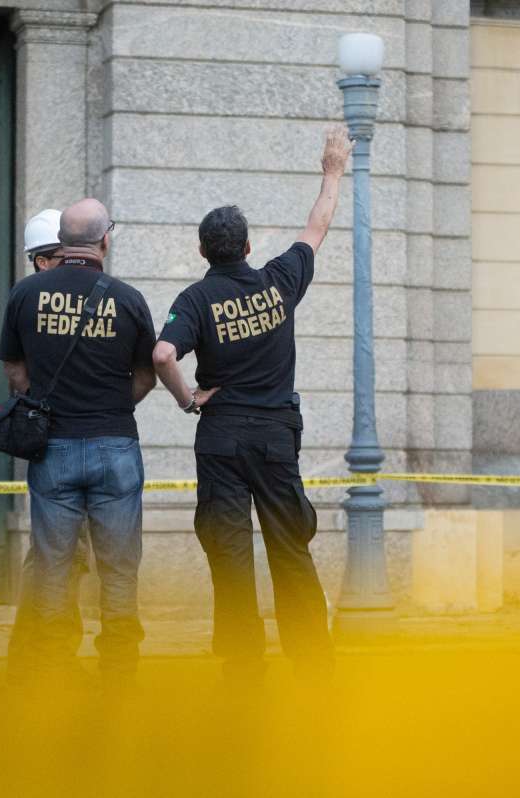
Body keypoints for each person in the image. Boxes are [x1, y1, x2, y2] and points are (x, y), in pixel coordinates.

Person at [151, 125, 353, 684]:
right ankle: (312, 660)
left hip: (220, 436)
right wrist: (332, 169)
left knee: (230, 550)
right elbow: (318, 226)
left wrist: (188, 397)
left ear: (202, 252)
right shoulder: (278, 281)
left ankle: (243, 664)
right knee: (290, 545)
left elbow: (164, 352)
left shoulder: (194, 299)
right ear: (247, 245)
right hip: (274, 436)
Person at [0, 198, 157, 689]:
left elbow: (15, 372)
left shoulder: (26, 295)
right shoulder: (128, 300)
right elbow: (147, 376)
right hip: (115, 447)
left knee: (51, 564)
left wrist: (45, 402)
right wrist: (111, 406)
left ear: (61, 243)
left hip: (54, 450)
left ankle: (49, 669)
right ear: (104, 240)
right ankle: (119, 672)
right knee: (119, 566)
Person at [6, 207, 93, 685]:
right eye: (64, 257)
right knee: (59, 555)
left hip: (58, 442)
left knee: (53, 554)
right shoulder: (37, 304)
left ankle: (32, 653)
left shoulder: (35, 303)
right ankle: (47, 657)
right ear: (42, 261)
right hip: (62, 444)